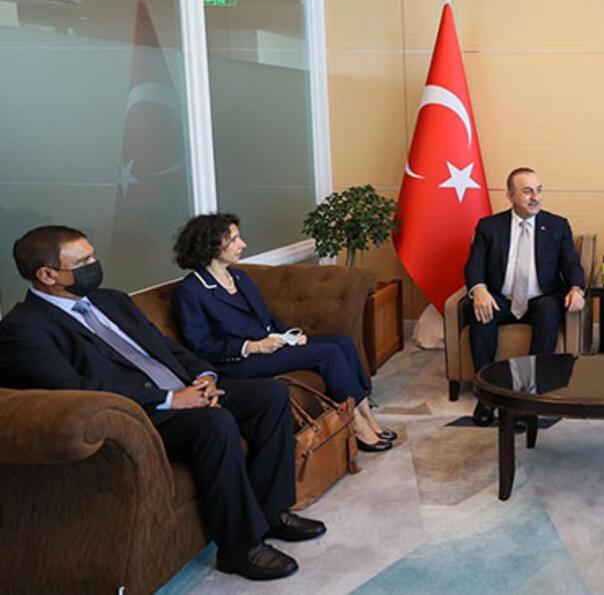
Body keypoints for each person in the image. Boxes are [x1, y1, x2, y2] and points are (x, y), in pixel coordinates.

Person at [0, 226, 324, 581]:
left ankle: (273, 512)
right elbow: (74, 390)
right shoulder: (24, 328)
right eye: (83, 262)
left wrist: (204, 377)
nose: (95, 265)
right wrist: (171, 399)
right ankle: (241, 548)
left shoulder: (111, 300)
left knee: (270, 395)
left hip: (184, 388)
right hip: (140, 415)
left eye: (93, 256)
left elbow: (167, 348)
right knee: (215, 424)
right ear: (47, 275)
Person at [171, 213, 395, 452]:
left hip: (271, 344)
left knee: (343, 342)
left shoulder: (238, 276)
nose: (242, 244)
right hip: (239, 362)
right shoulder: (191, 291)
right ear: (211, 245)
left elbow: (266, 317)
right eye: (234, 239)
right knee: (328, 353)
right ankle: (356, 426)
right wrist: (253, 346)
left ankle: (367, 415)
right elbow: (201, 347)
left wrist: (291, 335)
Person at [464, 167, 586, 426]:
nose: (535, 197)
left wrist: (576, 288)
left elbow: (571, 264)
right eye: (528, 191)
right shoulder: (489, 226)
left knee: (549, 310)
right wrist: (479, 289)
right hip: (502, 298)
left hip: (540, 298)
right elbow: (474, 265)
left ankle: (528, 395)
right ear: (510, 196)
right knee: (481, 311)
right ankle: (486, 396)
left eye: (538, 190)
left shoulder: (557, 225)